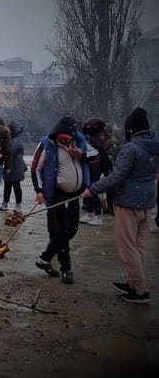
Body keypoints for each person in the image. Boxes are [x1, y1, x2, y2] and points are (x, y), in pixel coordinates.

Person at [83, 107, 158, 303]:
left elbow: (116, 177)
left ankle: (139, 291)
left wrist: (93, 189)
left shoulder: (130, 148)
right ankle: (134, 283)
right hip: (146, 202)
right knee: (139, 246)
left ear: (130, 129)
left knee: (127, 247)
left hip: (128, 203)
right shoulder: (155, 145)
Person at [31, 116, 90, 285]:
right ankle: (66, 268)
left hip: (76, 194)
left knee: (73, 229)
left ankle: (45, 258)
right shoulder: (47, 144)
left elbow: (96, 158)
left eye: (67, 137)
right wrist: (39, 190)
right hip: (56, 194)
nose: (64, 140)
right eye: (61, 137)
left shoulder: (80, 142)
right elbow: (35, 168)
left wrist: (82, 154)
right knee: (61, 231)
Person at [80, 118, 109, 226]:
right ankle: (90, 213)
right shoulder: (94, 140)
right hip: (90, 167)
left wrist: (104, 171)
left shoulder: (96, 141)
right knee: (88, 190)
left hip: (95, 168)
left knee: (93, 190)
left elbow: (103, 158)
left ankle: (97, 215)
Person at [0, 121, 27, 212]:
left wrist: (8, 167)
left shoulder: (16, 141)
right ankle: (5, 203)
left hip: (16, 167)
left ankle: (18, 204)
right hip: (11, 166)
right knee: (7, 186)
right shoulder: (11, 139)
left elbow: (10, 153)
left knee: (16, 186)